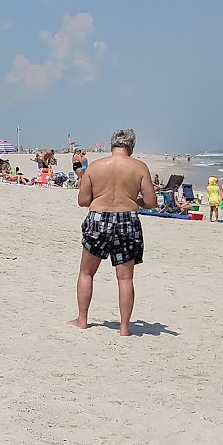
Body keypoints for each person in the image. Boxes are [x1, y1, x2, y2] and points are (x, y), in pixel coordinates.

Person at [69, 128, 155, 336]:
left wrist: (101, 198)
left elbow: (82, 201)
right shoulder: (139, 167)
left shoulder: (96, 167)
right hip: (127, 219)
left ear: (111, 145)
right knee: (125, 278)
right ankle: (124, 328)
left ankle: (82, 319)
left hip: (99, 217)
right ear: (131, 147)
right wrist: (132, 200)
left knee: (86, 272)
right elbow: (151, 202)